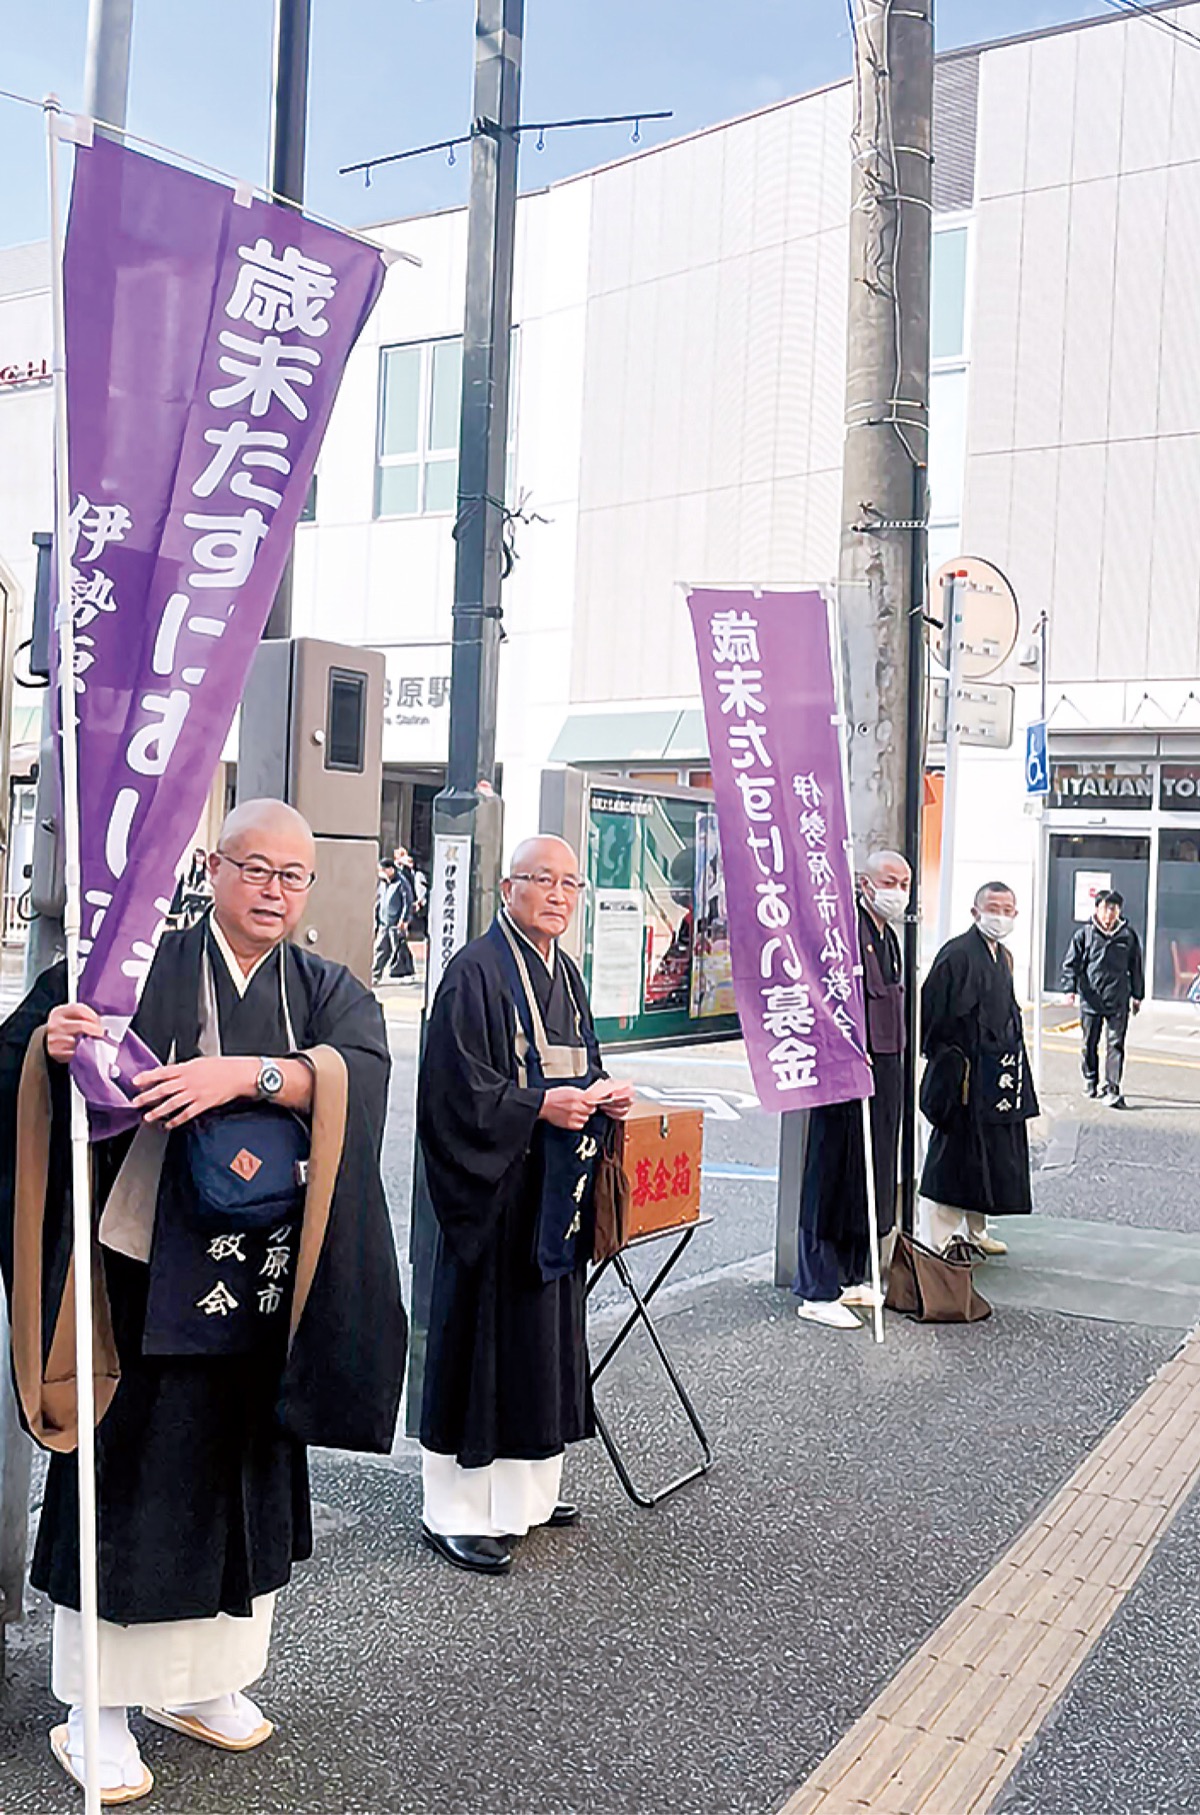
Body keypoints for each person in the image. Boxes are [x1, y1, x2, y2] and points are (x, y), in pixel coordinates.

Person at [0, 799, 407, 1801]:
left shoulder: (322, 986)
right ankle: (95, 1710)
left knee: (242, 1486)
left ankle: (207, 1681)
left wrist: (248, 1075)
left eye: (293, 875)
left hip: (264, 1285)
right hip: (143, 1288)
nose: (274, 890)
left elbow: (361, 1070)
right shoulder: (132, 969)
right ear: (213, 869)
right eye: (255, 867)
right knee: (131, 1488)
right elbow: (21, 1055)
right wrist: (50, 1047)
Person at [416, 835, 636, 1575]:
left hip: (551, 1195)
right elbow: (454, 1095)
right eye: (543, 879)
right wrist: (539, 1107)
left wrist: (602, 1096)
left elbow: (582, 1065)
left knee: (541, 1345)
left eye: (571, 883)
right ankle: (455, 1511)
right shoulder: (473, 973)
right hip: (495, 1198)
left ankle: (527, 1495)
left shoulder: (564, 972)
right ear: (509, 887)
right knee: (483, 1347)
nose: (558, 895)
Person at [794, 850, 910, 1330]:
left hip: (885, 1068)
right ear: (864, 883)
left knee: (870, 1171)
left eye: (904, 883)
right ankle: (816, 1289)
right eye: (889, 881)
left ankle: (850, 1275)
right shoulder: (842, 931)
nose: (898, 891)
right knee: (831, 1174)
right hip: (845, 1071)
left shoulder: (889, 937)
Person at [917, 881, 1038, 1259]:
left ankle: (976, 1229)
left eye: (1007, 909)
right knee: (955, 1154)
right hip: (963, 1075)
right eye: (993, 908)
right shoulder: (957, 955)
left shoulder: (1004, 956)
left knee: (990, 1154)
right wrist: (948, 1062)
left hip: (996, 1073)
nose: (1000, 916)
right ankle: (937, 1240)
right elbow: (931, 1013)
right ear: (975, 912)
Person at [1061, 889, 1144, 1109]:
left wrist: (1138, 995)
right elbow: (1071, 964)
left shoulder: (1128, 936)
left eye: (1114, 909)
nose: (1109, 913)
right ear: (1097, 909)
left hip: (1118, 999)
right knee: (1089, 1043)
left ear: (1119, 911)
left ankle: (1112, 1088)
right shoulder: (1085, 935)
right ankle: (1091, 1079)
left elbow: (1136, 967)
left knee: (1116, 1044)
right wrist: (1069, 989)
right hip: (1091, 999)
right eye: (1105, 908)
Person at [372, 858, 403, 985]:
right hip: (384, 922)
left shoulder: (401, 883)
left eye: (383, 870)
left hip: (395, 922)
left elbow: (407, 902)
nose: (381, 873)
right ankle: (375, 974)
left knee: (397, 949)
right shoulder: (383, 884)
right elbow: (379, 900)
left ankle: (401, 970)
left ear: (391, 870)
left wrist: (404, 920)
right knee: (381, 948)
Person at [389, 848, 417, 982]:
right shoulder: (399, 872)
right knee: (400, 942)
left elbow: (408, 896)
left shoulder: (404, 873)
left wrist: (405, 918)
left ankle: (401, 969)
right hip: (399, 911)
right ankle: (406, 969)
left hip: (403, 911)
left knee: (399, 942)